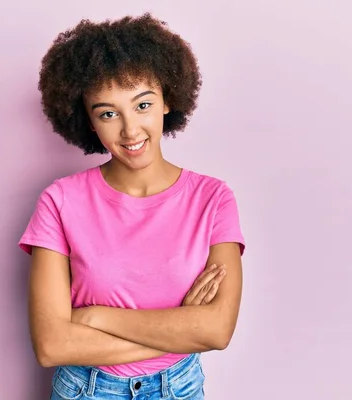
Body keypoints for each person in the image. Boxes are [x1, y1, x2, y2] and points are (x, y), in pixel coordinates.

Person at [18, 13, 246, 400]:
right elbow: (52, 345)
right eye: (108, 113)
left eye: (142, 105)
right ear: (89, 122)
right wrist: (180, 331)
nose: (129, 130)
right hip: (85, 390)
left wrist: (93, 317)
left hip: (179, 389)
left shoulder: (212, 199)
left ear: (167, 100)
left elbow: (217, 331)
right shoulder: (60, 200)